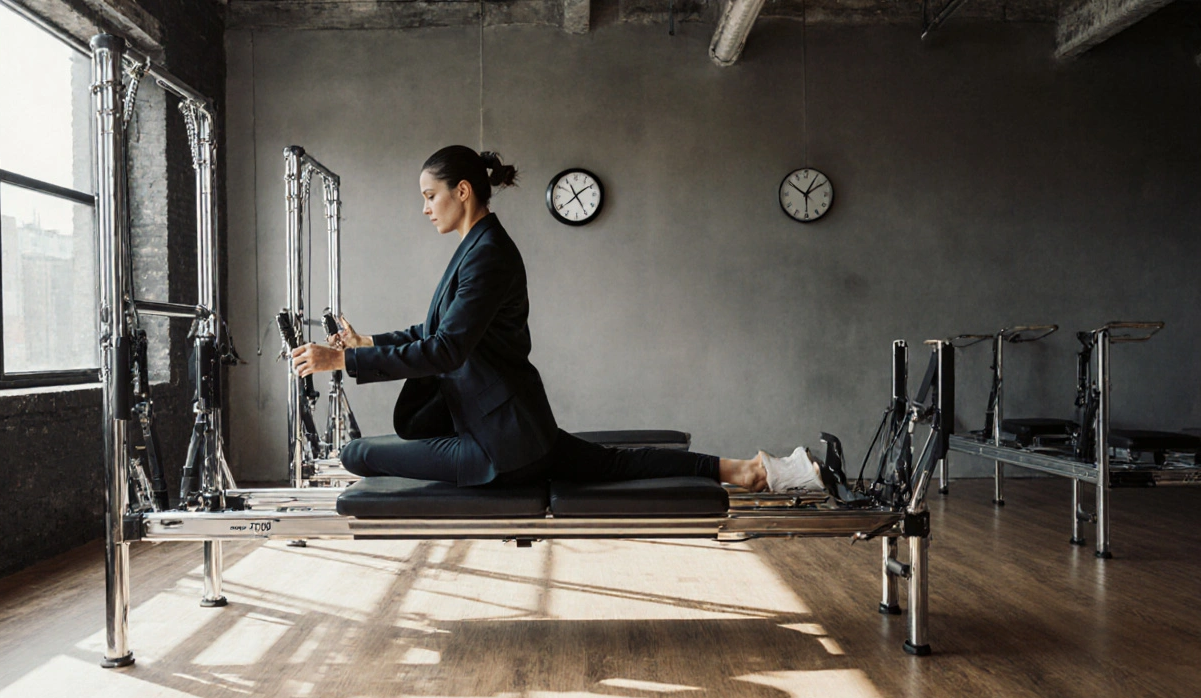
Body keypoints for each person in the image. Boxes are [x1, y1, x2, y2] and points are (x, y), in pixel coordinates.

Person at [290, 145, 824, 494]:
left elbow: (448, 349)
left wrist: (345, 359)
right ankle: (759, 470)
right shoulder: (476, 248)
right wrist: (368, 341)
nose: (425, 208)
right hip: (523, 429)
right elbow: (439, 333)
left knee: (358, 454)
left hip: (498, 447)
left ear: (463, 191)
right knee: (619, 464)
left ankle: (765, 471)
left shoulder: (488, 254)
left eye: (430, 196)